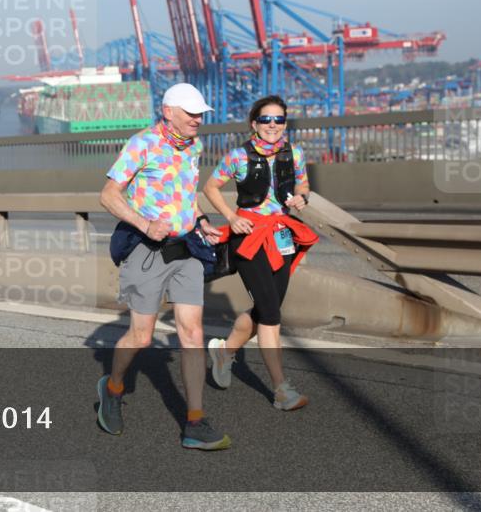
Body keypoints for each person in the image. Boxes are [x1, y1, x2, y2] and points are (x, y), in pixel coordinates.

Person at [97, 83, 231, 451]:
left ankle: (194, 422)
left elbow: (186, 196)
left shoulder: (194, 146)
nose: (198, 120)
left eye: (200, 113)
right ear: (168, 111)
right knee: (141, 336)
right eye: (190, 113)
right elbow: (108, 195)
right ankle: (112, 387)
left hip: (185, 249)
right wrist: (144, 224)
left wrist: (202, 221)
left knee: (192, 331)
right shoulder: (143, 143)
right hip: (146, 250)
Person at [202, 95, 318, 410]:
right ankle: (281, 390)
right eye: (265, 119)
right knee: (270, 315)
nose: (272, 125)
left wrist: (300, 200)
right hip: (249, 237)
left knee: (264, 310)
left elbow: (304, 186)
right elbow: (210, 187)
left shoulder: (294, 153)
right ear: (254, 124)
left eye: (278, 119)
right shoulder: (237, 156)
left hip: (281, 236)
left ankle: (224, 352)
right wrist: (231, 217)